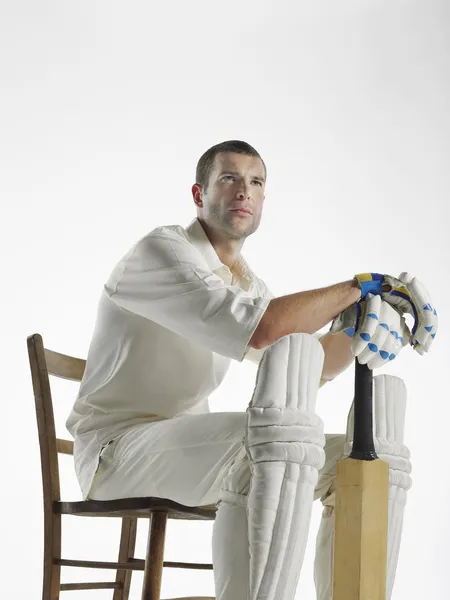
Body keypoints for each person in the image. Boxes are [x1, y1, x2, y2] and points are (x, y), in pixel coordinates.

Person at [66, 140, 437, 600]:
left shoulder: (246, 282)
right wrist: (361, 288)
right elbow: (262, 329)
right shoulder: (162, 252)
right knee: (267, 447)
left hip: (183, 449)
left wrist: (365, 328)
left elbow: (306, 362)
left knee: (357, 463)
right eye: (229, 178)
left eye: (256, 182)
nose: (244, 191)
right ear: (199, 195)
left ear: (263, 200)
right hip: (114, 452)